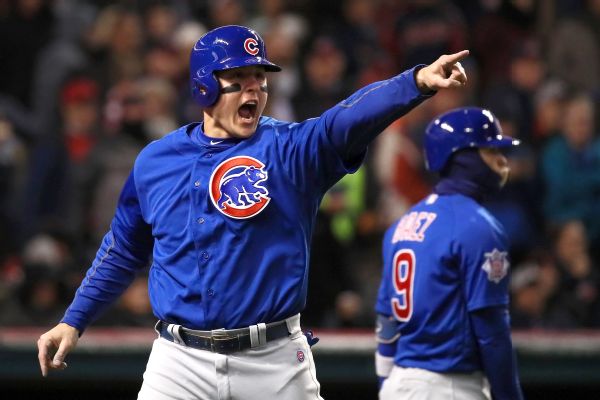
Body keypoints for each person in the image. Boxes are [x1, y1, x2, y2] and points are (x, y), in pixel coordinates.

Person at [37, 25, 468, 399]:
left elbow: (346, 120)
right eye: (239, 79)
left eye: (260, 79)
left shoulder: (290, 151)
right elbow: (123, 250)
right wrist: (73, 321)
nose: (254, 91)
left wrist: (416, 83)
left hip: (274, 361)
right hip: (179, 360)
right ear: (204, 85)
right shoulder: (155, 161)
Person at [375, 107, 524, 400]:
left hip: (399, 382)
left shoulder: (403, 224)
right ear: (463, 157)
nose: (503, 161)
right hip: (450, 386)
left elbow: (387, 323)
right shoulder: (479, 226)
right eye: (491, 150)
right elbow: (492, 333)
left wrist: (387, 385)